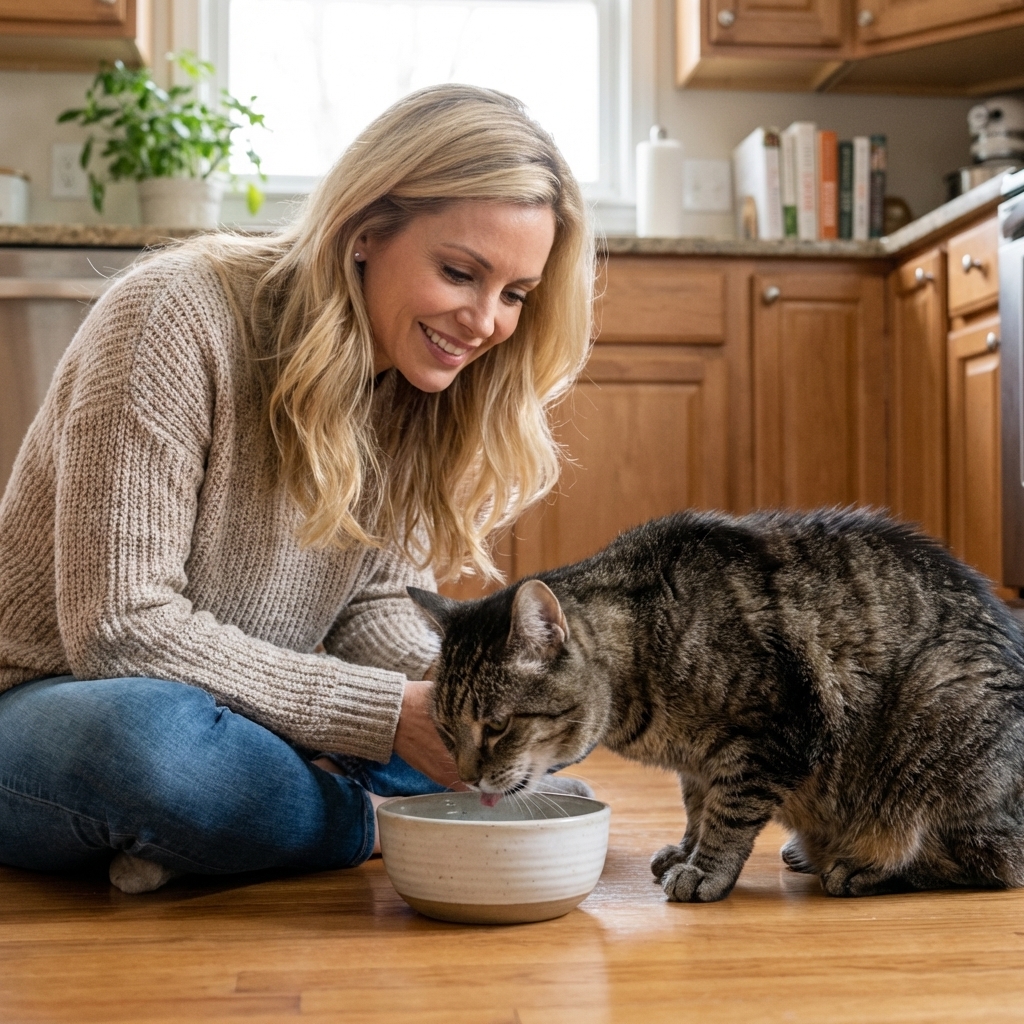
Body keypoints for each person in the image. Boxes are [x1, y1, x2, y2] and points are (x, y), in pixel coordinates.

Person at [0, 85, 594, 893]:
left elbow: (373, 607)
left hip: (239, 716)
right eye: (460, 272)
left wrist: (466, 699)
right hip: (54, 704)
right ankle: (362, 823)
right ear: (364, 231)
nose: (485, 322)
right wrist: (388, 718)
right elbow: (119, 628)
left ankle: (233, 826)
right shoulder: (176, 313)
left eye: (516, 294)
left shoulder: (416, 392)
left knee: (535, 731)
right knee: (153, 748)